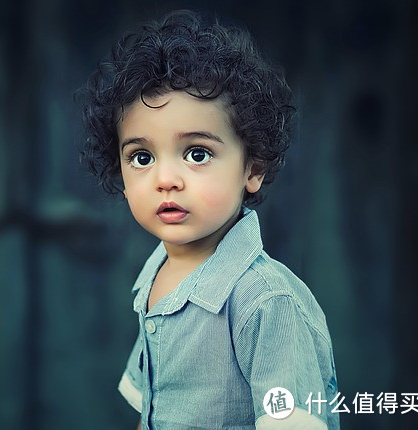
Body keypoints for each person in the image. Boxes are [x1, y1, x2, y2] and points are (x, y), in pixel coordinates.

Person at [79, 10, 339, 430]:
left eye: (197, 153)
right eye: (141, 157)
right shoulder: (156, 273)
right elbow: (158, 399)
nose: (165, 180)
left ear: (251, 168)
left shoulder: (265, 301)